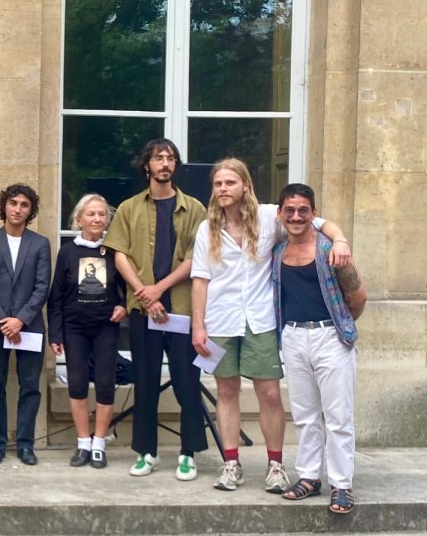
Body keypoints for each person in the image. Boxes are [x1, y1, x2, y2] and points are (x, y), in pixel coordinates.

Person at [191, 159, 350, 492]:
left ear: (245, 185)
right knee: (226, 391)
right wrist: (198, 326)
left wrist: (340, 241)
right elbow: (201, 280)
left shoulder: (268, 217)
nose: (223, 189)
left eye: (229, 182)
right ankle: (231, 463)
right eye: (218, 183)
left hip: (261, 319)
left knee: (269, 393)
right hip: (220, 319)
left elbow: (317, 222)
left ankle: (275, 465)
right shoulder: (207, 229)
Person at [103, 138, 207, 480]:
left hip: (179, 310)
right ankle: (146, 452)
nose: (165, 163)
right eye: (158, 158)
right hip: (142, 310)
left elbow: (196, 260)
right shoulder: (130, 208)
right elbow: (119, 254)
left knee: (186, 381)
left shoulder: (194, 208)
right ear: (146, 165)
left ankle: (188, 453)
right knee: (145, 380)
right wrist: (144, 295)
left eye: (171, 158)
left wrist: (159, 290)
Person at [272, 183, 366, 514]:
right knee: (305, 414)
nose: (296, 216)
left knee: (338, 416)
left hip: (331, 337)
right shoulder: (278, 252)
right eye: (290, 210)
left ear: (314, 213)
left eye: (303, 210)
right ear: (281, 214)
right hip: (294, 337)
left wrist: (340, 325)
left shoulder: (331, 250)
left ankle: (342, 485)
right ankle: (309, 477)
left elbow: (358, 297)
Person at [0, 184, 51, 466]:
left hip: (29, 327)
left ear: (30, 211)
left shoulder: (40, 243)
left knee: (30, 386)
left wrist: (20, 319)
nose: (17, 209)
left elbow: (42, 286)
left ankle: (25, 445)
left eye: (24, 205)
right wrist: (3, 321)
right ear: (4, 206)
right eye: (13, 203)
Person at [49, 194, 127, 469]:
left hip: (105, 327)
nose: (96, 219)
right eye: (91, 214)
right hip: (75, 328)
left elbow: (128, 286)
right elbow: (56, 296)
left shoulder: (115, 250)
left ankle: (99, 443)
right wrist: (55, 334)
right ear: (79, 219)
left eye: (101, 214)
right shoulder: (68, 252)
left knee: (105, 383)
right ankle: (83, 442)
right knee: (78, 383)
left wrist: (125, 306)